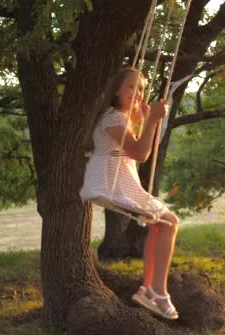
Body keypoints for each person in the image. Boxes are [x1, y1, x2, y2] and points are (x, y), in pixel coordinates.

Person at [80, 67, 179, 320]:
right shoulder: (112, 118)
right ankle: (158, 291)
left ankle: (150, 288)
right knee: (169, 223)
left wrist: (143, 121)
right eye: (131, 87)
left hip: (121, 181)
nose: (138, 93)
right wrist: (153, 121)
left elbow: (137, 146)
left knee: (161, 225)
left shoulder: (120, 118)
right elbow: (140, 153)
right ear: (115, 90)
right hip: (111, 183)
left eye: (142, 89)